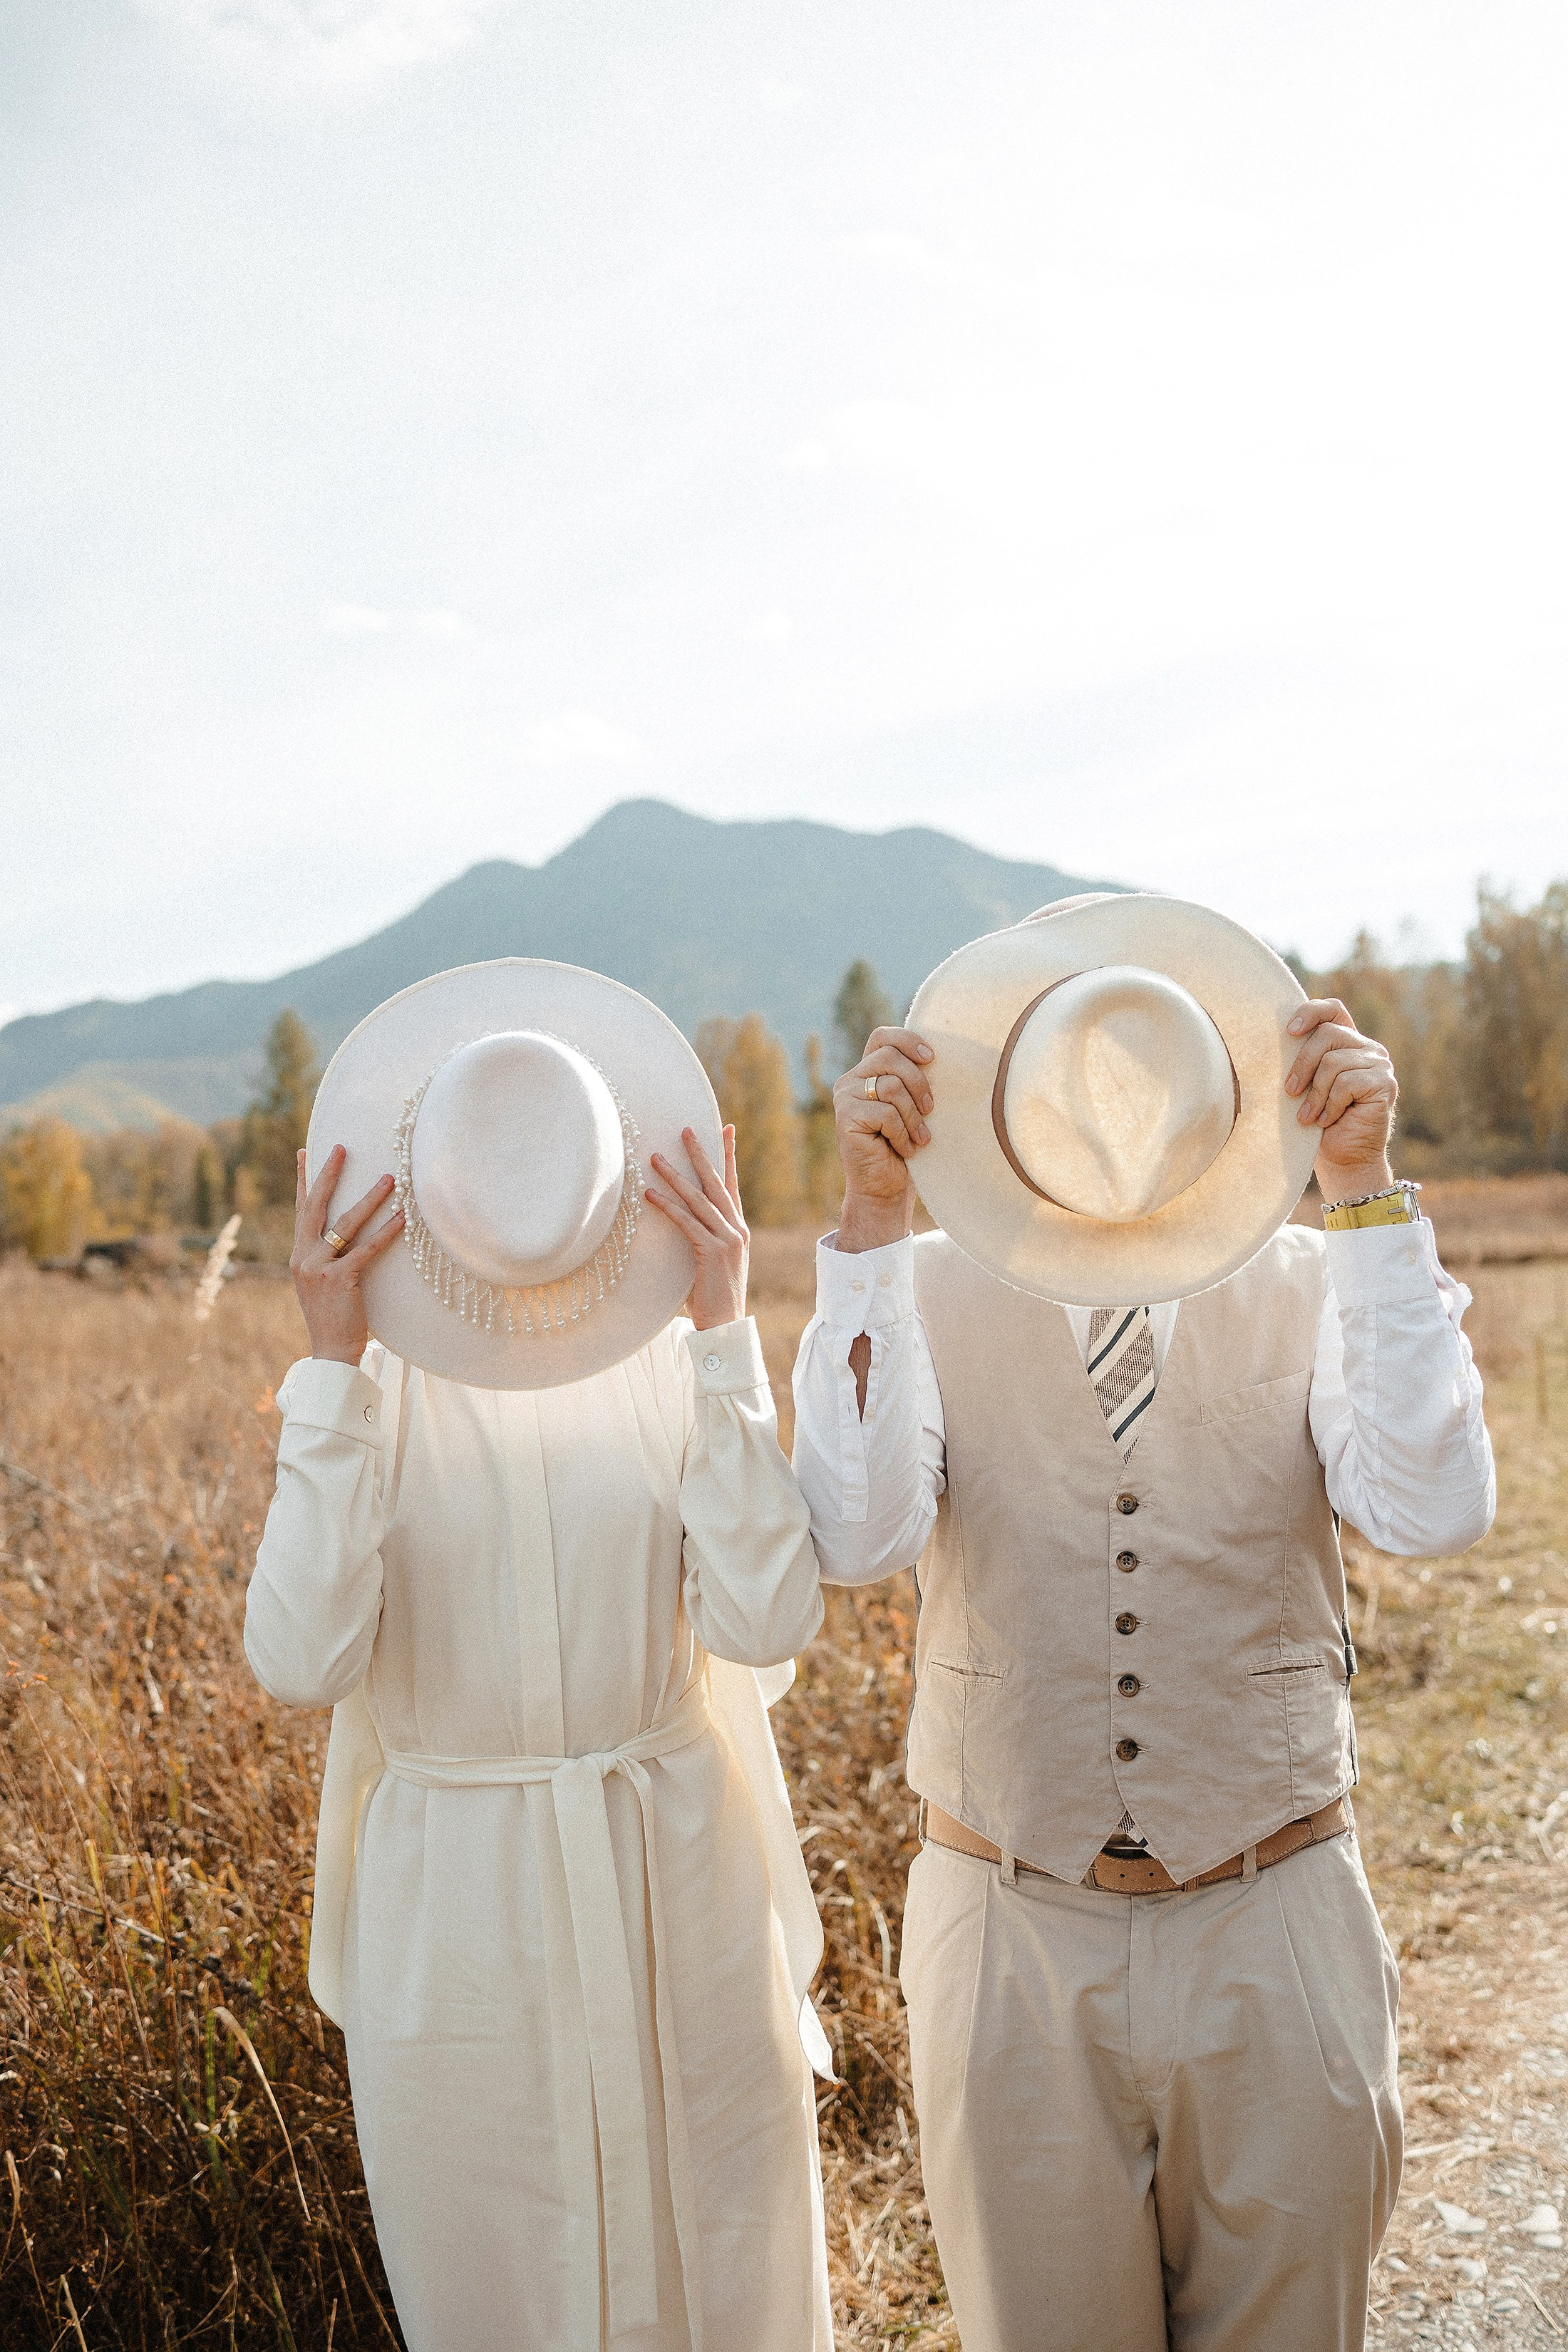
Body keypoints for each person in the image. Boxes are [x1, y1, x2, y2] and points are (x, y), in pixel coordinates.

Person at [790, 892, 1495, 2352]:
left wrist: (1362, 1191)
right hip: (1005, 1925)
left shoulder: (1327, 1275)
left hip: (1275, 1904)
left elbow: (1429, 1509)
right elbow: (853, 1540)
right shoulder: (908, 1285)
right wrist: (866, 1225)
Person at [244, 959, 833, 2352]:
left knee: (726, 2265)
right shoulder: (357, 1391)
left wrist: (725, 1332)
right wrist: (326, 1368)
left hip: (676, 1877)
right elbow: (299, 1661)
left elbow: (765, 1626)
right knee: (499, 2282)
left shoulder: (676, 1363)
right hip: (457, 1921)